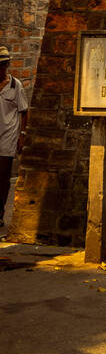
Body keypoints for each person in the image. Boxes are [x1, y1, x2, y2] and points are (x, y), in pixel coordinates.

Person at [0, 47, 28, 238]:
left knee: (2, 177)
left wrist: (22, 135)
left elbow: (23, 111)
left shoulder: (15, 86)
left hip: (8, 136)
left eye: (3, 64)